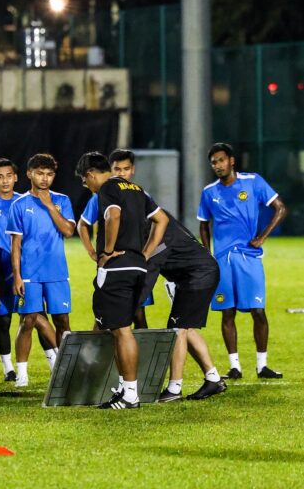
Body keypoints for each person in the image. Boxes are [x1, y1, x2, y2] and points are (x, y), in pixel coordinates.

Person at [75, 151, 168, 409]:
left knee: (123, 331)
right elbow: (162, 220)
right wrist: (145, 254)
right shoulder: (137, 189)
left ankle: (130, 395)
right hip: (137, 267)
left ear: (91, 174)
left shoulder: (107, 188)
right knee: (118, 329)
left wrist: (105, 252)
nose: (88, 187)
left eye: (86, 182)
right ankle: (123, 389)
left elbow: (112, 216)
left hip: (117, 268)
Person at [198, 142, 287, 379]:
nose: (217, 165)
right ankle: (235, 367)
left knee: (258, 311)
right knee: (228, 312)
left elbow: (280, 208)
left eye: (221, 160)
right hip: (223, 260)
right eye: (214, 162)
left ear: (231, 161)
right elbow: (203, 224)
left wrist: (262, 237)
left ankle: (262, 366)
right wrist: (208, 255)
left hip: (249, 258)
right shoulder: (209, 192)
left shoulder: (253, 181)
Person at [0, 158, 58, 380]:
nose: (5, 180)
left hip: (26, 269)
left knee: (36, 314)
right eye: (0, 176)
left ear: (17, 177)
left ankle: (54, 363)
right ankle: (8, 368)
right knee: (4, 318)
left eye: (9, 175)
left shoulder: (27, 201)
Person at [138, 210, 226, 401]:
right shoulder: (152, 220)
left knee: (177, 330)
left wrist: (130, 304)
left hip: (198, 275)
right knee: (187, 329)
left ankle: (174, 389)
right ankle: (214, 379)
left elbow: (150, 270)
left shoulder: (157, 232)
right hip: (192, 275)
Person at [6, 153, 74, 388]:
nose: (45, 179)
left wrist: (48, 205)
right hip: (29, 273)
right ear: (29, 174)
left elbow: (68, 230)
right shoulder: (19, 205)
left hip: (57, 272)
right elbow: (15, 245)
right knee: (28, 320)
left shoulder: (62, 200)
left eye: (50, 174)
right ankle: (22, 373)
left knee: (63, 321)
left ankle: (64, 370)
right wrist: (16, 276)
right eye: (40, 173)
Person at [77, 149, 154, 329]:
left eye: (125, 169)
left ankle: (100, 356)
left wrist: (146, 253)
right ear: (110, 170)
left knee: (135, 314)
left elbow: (156, 223)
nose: (121, 173)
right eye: (117, 169)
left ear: (132, 170)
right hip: (121, 264)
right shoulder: (101, 195)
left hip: (130, 262)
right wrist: (93, 253)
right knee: (110, 317)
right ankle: (103, 356)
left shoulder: (139, 194)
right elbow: (82, 224)